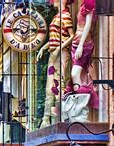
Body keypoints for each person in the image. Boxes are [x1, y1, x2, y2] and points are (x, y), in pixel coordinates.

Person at [37, 0, 75, 128]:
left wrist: (60, 47)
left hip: (61, 53)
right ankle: (47, 118)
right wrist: (44, 47)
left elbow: (72, 35)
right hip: (54, 53)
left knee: (60, 84)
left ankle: (60, 117)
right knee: (50, 87)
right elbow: (55, 37)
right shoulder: (56, 17)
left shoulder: (65, 16)